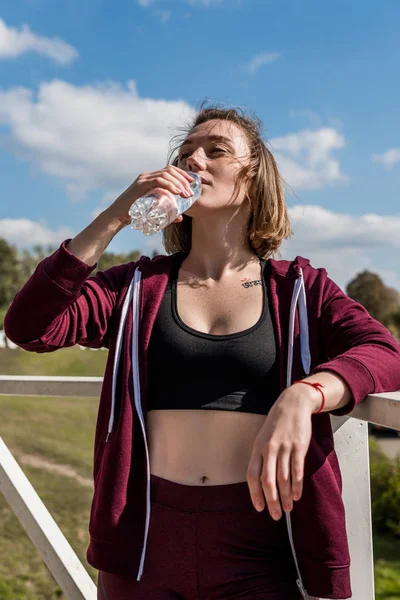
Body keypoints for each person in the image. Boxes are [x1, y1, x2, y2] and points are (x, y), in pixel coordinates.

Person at [5, 104, 400, 600]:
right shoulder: (135, 287)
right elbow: (30, 327)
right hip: (145, 539)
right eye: (184, 152)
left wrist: (307, 394)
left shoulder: (300, 288)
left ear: (254, 177)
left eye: (216, 150)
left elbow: (383, 350)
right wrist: (115, 215)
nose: (193, 160)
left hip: (262, 543)